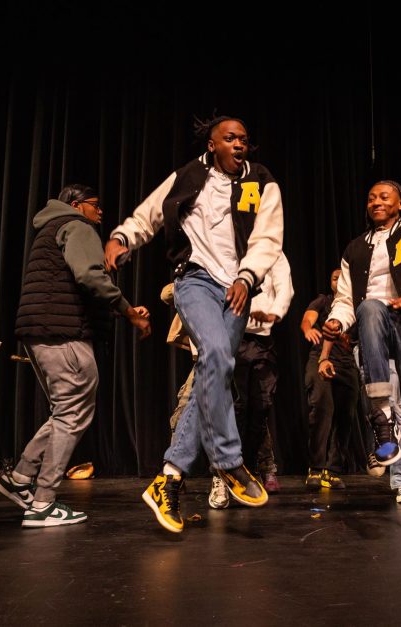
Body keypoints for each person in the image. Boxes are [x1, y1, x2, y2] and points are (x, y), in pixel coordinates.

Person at [105, 116, 283, 534]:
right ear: (213, 142)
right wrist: (122, 238)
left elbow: (268, 239)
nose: (240, 143)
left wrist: (248, 276)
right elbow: (149, 215)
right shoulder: (188, 175)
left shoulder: (261, 181)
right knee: (217, 356)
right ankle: (228, 461)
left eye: (244, 138)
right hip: (195, 279)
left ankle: (168, 479)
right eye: (231, 138)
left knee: (212, 374)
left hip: (239, 287)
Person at [0, 184, 150, 527]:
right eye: (95, 206)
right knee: (72, 414)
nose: (100, 212)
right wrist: (129, 311)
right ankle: (44, 502)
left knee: (65, 411)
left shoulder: (50, 228)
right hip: (64, 333)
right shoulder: (77, 226)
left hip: (41, 330)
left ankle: (20, 480)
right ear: (78, 205)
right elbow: (88, 276)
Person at [322, 180, 401, 539]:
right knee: (370, 306)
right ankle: (382, 418)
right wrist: (337, 320)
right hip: (375, 323)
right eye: (371, 198)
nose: (376, 201)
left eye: (384, 197)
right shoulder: (354, 249)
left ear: (399, 203)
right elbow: (346, 299)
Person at [209, 252, 292, 507]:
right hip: (232, 337)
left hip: (263, 342)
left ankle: (247, 469)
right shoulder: (227, 248)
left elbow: (284, 286)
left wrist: (274, 313)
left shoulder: (272, 252)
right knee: (231, 408)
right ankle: (220, 477)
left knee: (261, 407)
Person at [302, 269, 359, 490]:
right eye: (334, 277)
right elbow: (308, 319)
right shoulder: (323, 301)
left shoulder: (354, 306)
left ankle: (333, 471)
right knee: (322, 410)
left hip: (346, 364)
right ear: (330, 281)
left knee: (346, 415)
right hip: (321, 359)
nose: (338, 280)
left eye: (342, 277)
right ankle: (315, 469)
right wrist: (308, 329)